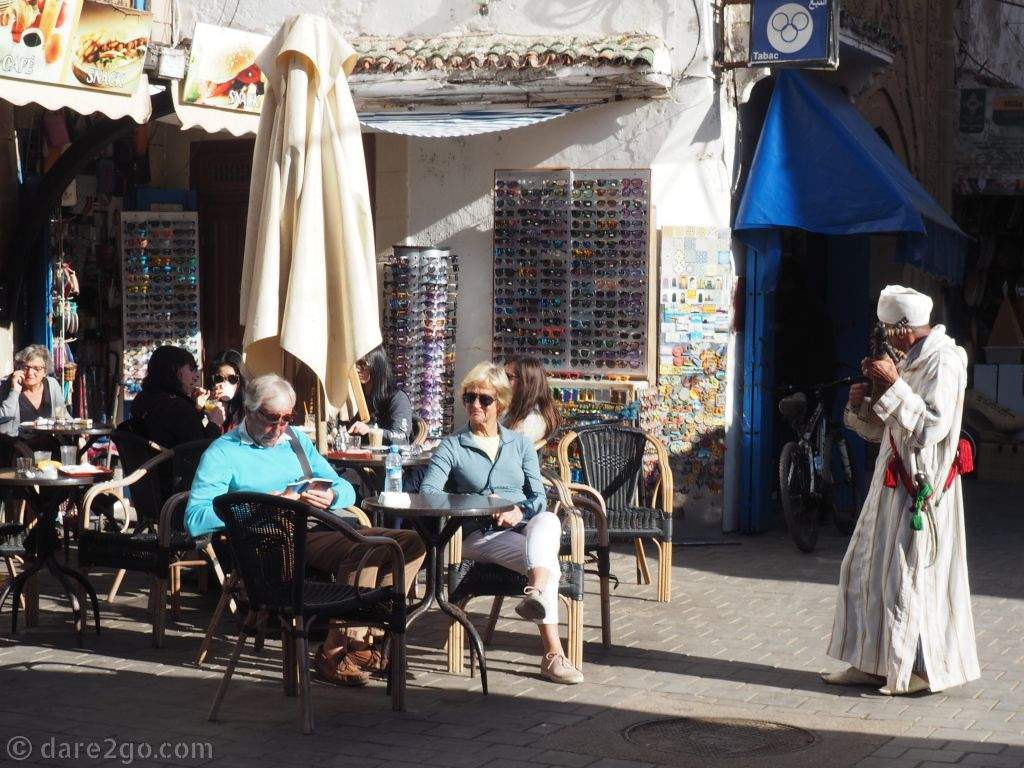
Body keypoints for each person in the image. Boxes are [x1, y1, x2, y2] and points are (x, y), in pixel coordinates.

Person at [186, 374, 426, 687]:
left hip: (323, 527)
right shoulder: (224, 452)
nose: (279, 428)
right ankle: (337, 650)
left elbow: (344, 487)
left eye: (287, 418)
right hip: (275, 542)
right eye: (272, 419)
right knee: (367, 550)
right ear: (249, 411)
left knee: (412, 542)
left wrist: (332, 495)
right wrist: (261, 505)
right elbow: (195, 518)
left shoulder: (296, 439)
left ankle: (362, 640)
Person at [824, 285, 979, 696]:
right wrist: (863, 403)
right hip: (890, 483)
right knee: (865, 570)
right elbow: (884, 431)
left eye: (888, 332)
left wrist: (892, 385)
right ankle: (869, 662)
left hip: (923, 489)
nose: (887, 341)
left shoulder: (944, 361)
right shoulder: (907, 361)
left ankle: (919, 670)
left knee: (910, 582)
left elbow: (931, 427)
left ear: (902, 330)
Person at [420, 362, 583, 684]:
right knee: (548, 562)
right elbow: (429, 494)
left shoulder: (519, 444)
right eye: (469, 398)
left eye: (485, 399)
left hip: (522, 527)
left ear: (502, 403)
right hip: (478, 534)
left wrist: (518, 511)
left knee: (548, 518)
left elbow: (537, 495)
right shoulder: (452, 446)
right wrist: (481, 505)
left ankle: (534, 590)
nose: (475, 405)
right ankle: (553, 655)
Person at [125, 345, 224, 447]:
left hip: (151, 462)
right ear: (174, 369)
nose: (195, 377)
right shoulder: (177, 407)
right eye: (191, 369)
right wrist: (215, 424)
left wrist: (195, 408)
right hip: (175, 462)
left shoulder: (142, 398)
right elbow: (202, 450)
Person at [346, 345, 414, 445]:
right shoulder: (354, 397)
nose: (357, 369)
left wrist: (371, 430)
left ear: (376, 365)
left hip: (387, 458)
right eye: (353, 365)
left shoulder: (398, 398)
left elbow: (401, 438)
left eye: (362, 364)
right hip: (356, 457)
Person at [0, 345, 67, 437]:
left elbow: (63, 415)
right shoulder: (6, 385)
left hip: (49, 442)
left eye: (36, 368)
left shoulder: (52, 384)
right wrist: (14, 391)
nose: (30, 373)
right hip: (18, 446)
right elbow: (4, 421)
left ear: (45, 371)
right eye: (26, 367)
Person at [503, 355, 561, 444]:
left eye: (508, 376)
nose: (501, 380)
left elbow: (507, 454)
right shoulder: (516, 410)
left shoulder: (529, 422)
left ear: (525, 383)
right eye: (501, 375)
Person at [207, 349, 248, 432]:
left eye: (232, 379)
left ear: (241, 380)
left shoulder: (249, 410)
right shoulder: (210, 403)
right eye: (218, 378)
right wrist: (210, 404)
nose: (224, 383)